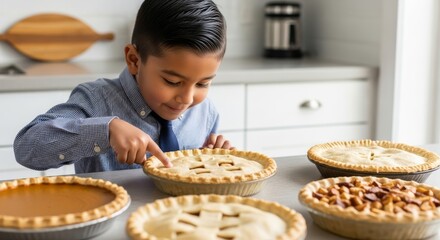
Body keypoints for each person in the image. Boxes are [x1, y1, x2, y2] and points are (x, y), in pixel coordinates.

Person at [13, 0, 232, 174]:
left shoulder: (205, 111)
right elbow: (27, 147)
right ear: (134, 60)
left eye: (203, 83)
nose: (187, 98)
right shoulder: (95, 100)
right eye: (172, 82)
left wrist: (215, 161)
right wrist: (104, 131)